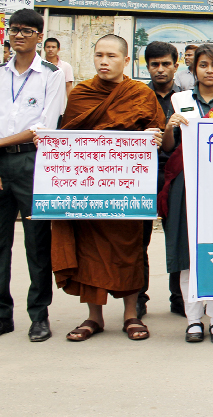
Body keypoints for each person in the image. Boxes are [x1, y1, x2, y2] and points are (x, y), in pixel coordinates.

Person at [51, 34, 165, 342]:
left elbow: (165, 139)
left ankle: (131, 315)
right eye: (99, 55)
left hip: (126, 189)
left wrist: (155, 138)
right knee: (89, 251)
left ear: (126, 61)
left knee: (129, 249)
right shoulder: (80, 95)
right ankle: (94, 317)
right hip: (90, 188)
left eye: (112, 56)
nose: (104, 61)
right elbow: (67, 141)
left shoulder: (140, 94)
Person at [159, 44, 213, 344]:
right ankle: (194, 321)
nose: (209, 70)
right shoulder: (179, 99)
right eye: (203, 65)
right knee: (187, 255)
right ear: (194, 69)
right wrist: (169, 126)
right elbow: (169, 147)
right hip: (185, 181)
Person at [0, 9, 65, 341]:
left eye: (27, 30)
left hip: (33, 163)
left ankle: (39, 316)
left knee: (37, 244)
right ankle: (2, 315)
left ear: (40, 36)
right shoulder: (0, 73)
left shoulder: (51, 75)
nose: (19, 35)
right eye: (14, 29)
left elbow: (45, 128)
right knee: (0, 244)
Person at [140, 41, 186, 318]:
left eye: (165, 64)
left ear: (175, 66)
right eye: (154, 64)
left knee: (177, 235)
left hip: (176, 173)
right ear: (147, 67)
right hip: (141, 174)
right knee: (139, 239)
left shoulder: (185, 98)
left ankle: (178, 297)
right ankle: (138, 298)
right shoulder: (136, 96)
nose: (160, 69)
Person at [42, 38, 74, 102]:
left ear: (58, 49)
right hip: (42, 102)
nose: (50, 49)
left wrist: (71, 105)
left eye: (53, 47)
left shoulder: (66, 66)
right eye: (48, 47)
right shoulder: (39, 66)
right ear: (44, 49)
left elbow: (68, 87)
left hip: (59, 103)